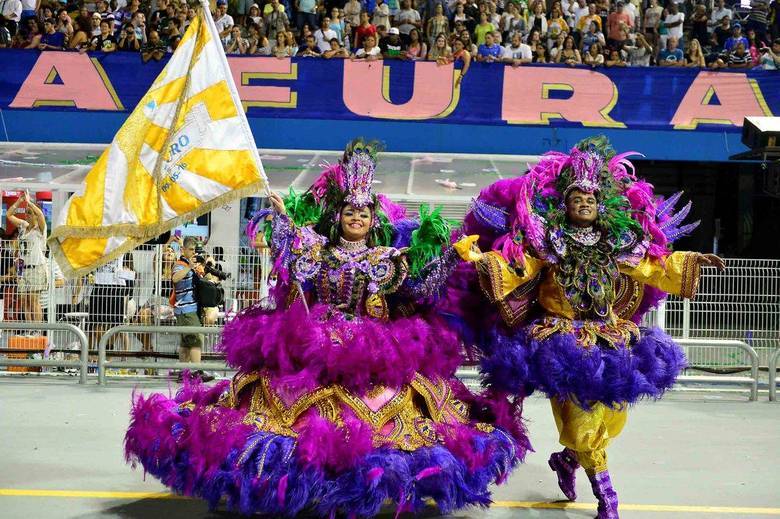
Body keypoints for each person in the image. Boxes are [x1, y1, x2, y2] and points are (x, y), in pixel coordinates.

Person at [126, 139, 528, 517]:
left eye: (364, 213)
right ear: (338, 217)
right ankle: (288, 482)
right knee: (278, 404)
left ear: (374, 219)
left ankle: (363, 484)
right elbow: (292, 273)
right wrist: (281, 224)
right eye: (350, 212)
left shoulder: (389, 258)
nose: (357, 218)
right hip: (313, 342)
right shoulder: (317, 250)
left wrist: (449, 259)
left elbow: (421, 291)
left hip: (374, 349)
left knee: (386, 406)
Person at [456, 136, 725, 519]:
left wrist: (692, 260)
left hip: (611, 340)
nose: (584, 203)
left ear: (602, 205)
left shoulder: (618, 244)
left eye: (591, 199)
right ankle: (607, 495)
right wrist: (482, 259)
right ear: (564, 205)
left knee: (611, 419)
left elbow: (653, 266)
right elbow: (519, 269)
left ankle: (568, 461)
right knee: (584, 423)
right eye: (576, 198)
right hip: (560, 345)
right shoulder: (548, 243)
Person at [170, 236, 208, 382]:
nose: (193, 252)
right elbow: (175, 279)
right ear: (183, 249)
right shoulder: (180, 265)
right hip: (186, 310)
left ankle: (183, 373)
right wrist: (189, 267)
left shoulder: (190, 264)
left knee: (186, 343)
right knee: (196, 340)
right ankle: (198, 372)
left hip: (188, 310)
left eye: (195, 250)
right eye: (190, 249)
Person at [6, 193, 47, 323]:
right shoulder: (23, 226)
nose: (27, 215)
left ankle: (38, 330)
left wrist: (30, 203)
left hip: (36, 267)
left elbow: (40, 215)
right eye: (26, 212)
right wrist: (20, 201)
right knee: (24, 300)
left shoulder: (39, 229)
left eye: (29, 213)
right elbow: (9, 215)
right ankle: (30, 328)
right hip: (22, 267)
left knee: (34, 299)